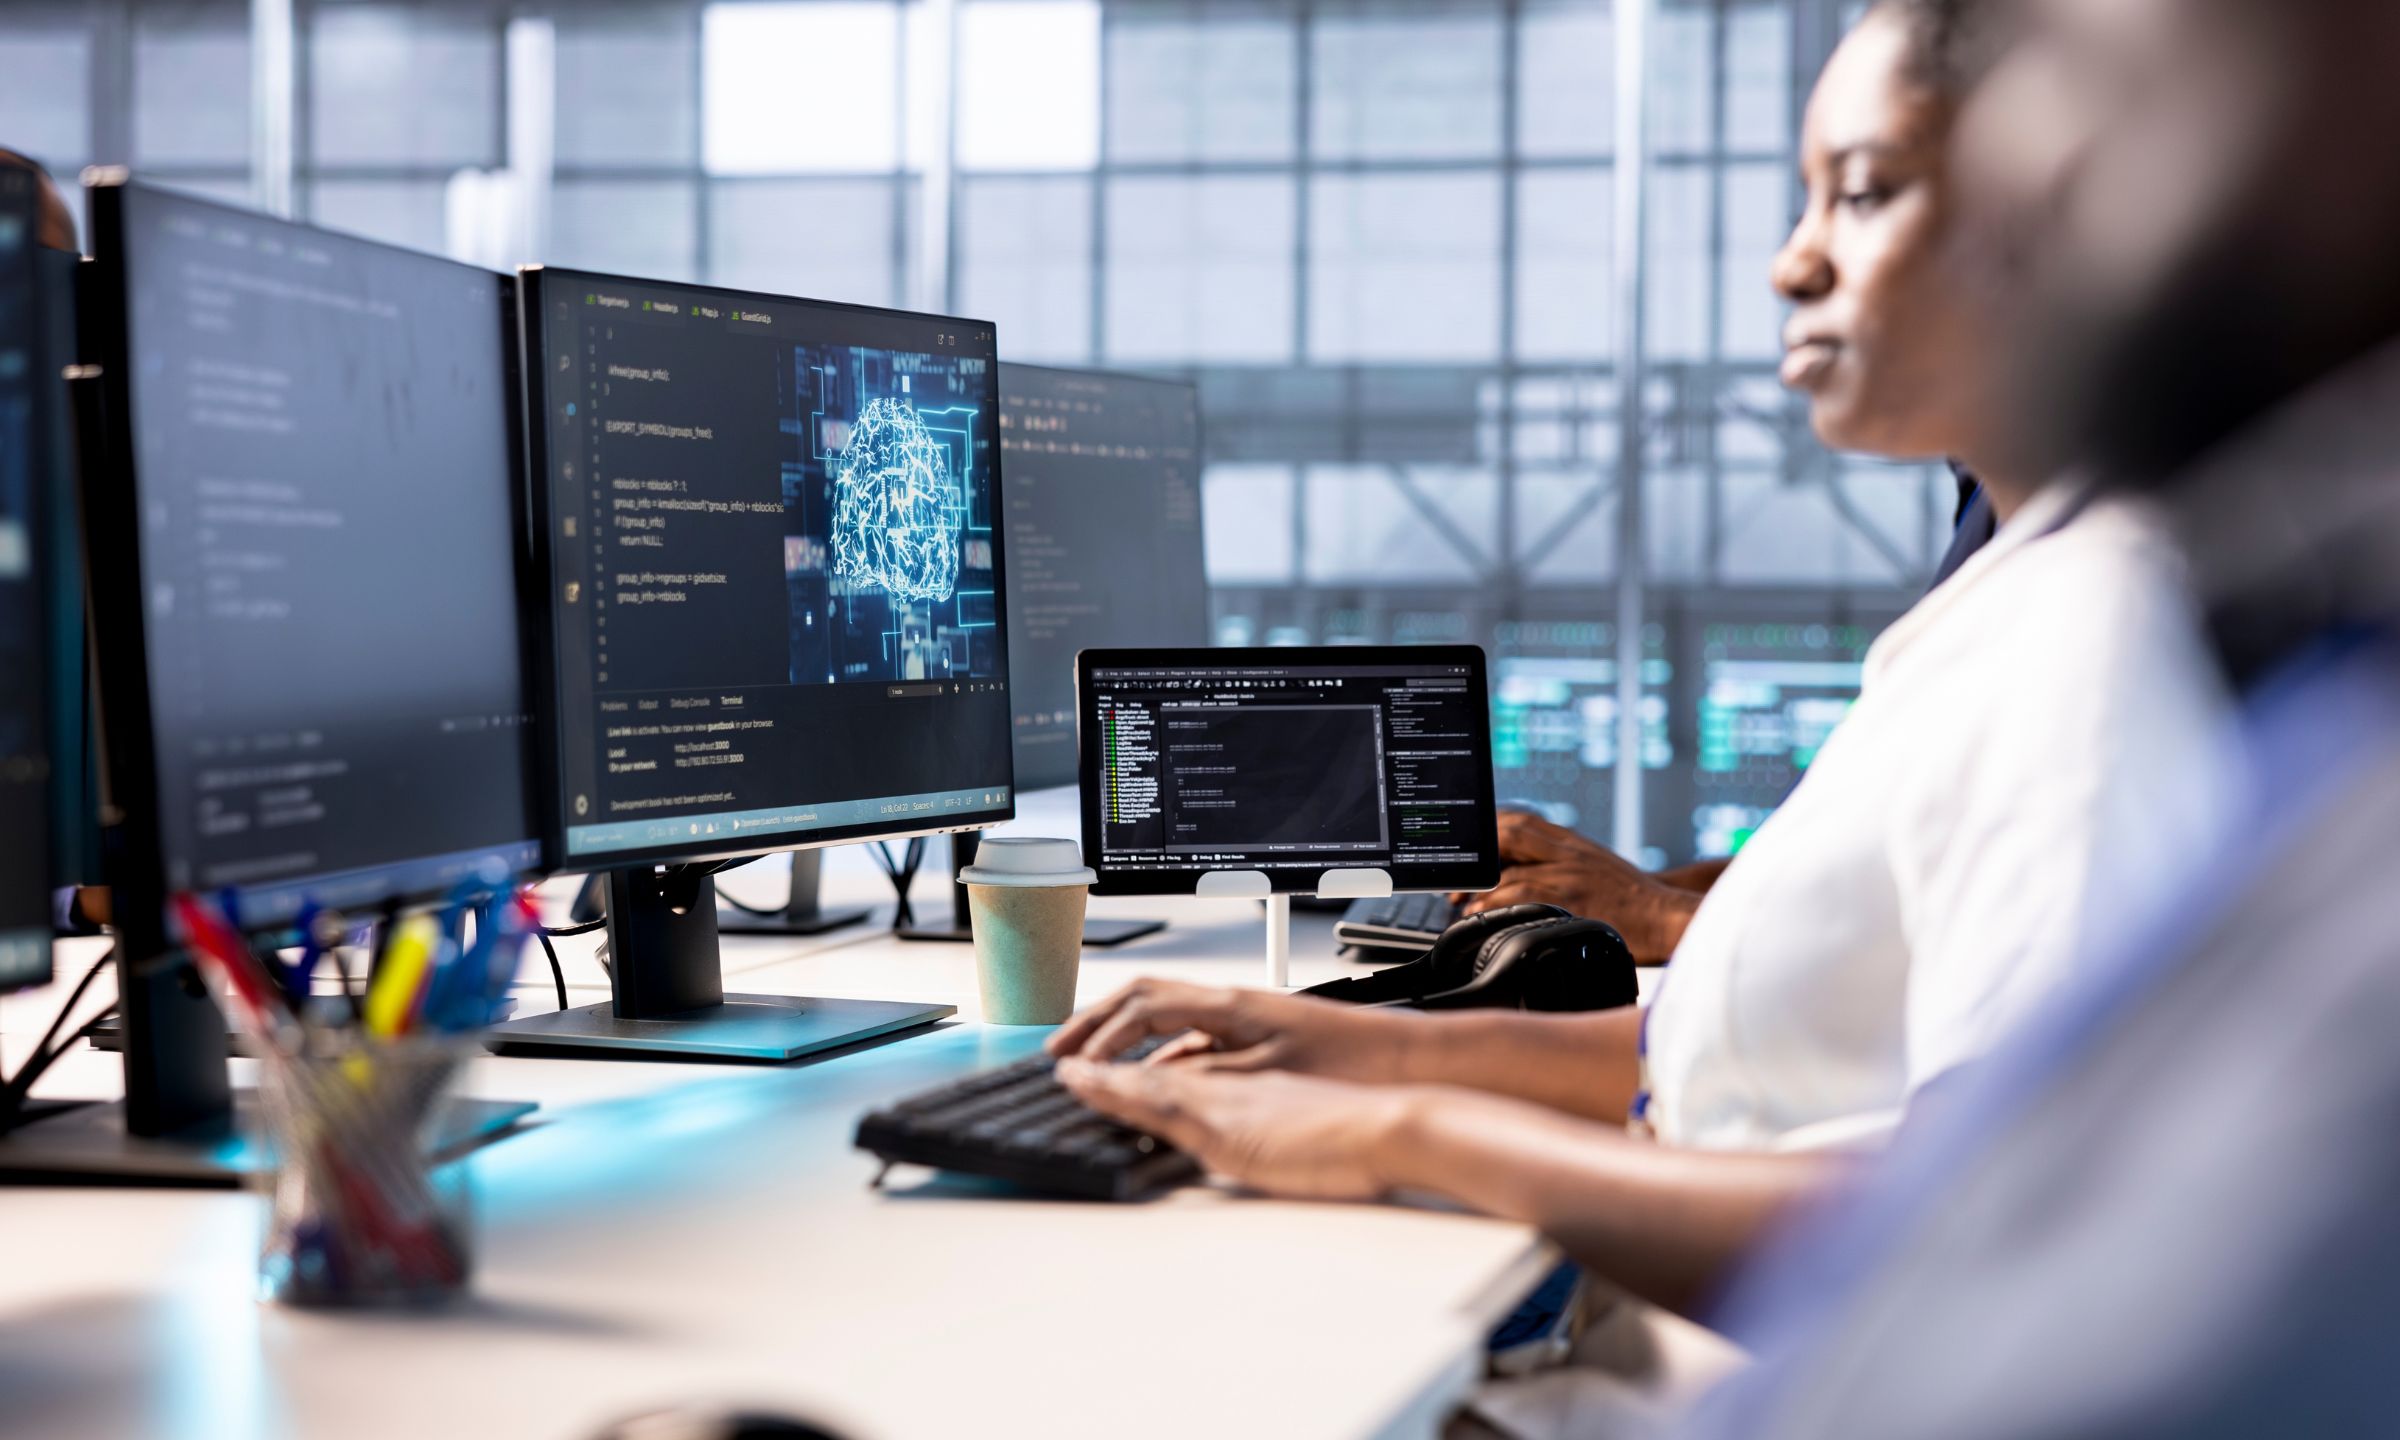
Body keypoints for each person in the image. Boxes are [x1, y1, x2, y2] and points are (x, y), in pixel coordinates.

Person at [1050, 0, 2230, 1316]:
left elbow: (1997, 1214)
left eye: (1864, 193)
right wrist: (1331, 1041)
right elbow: (1714, 1056)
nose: (1793, 265)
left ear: (2076, 214)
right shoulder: (2005, 605)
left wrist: (1403, 1136)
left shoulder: (2096, 643)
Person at [1672, 0, 2400, 1431]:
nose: (2026, 173)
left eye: (2091, 68)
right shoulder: (2273, 679)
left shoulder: (2109, 626)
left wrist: (1413, 1124)